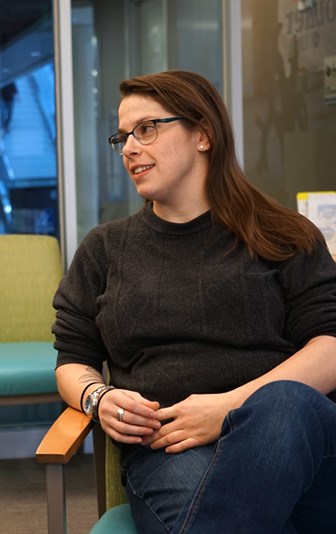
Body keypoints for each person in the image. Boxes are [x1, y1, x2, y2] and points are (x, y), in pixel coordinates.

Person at [52, 70, 336, 533]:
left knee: (286, 403)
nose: (129, 148)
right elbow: (72, 358)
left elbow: (331, 346)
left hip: (297, 444)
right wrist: (97, 397)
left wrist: (228, 408)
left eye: (146, 129)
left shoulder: (284, 235)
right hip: (173, 450)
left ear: (203, 134)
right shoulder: (106, 249)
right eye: (122, 136)